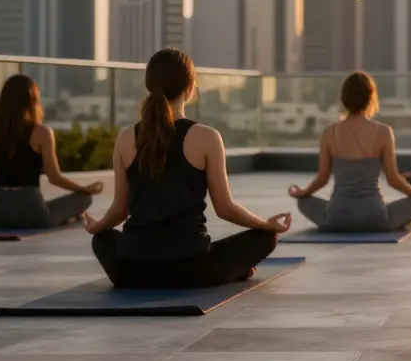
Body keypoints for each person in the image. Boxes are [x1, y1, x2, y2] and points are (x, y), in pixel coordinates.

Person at [85, 48, 290, 289]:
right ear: (191, 86)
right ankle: (233, 269)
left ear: (149, 86)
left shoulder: (125, 137)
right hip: (193, 269)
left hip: (131, 271)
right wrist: (267, 225)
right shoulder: (206, 137)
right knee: (266, 238)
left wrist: (97, 227)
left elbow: (119, 211)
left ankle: (226, 269)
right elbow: (225, 209)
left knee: (102, 239)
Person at [288, 72, 411, 231]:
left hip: (336, 217)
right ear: (371, 98)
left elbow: (322, 178)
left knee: (303, 201)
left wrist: (303, 193)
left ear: (343, 98)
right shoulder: (383, 132)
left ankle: (331, 215)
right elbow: (393, 179)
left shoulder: (329, 132)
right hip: (376, 218)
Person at [0, 74, 103, 229]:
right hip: (33, 213)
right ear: (32, 101)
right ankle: (62, 216)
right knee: (85, 199)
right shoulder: (42, 132)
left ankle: (50, 213)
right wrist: (84, 189)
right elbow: (54, 178)